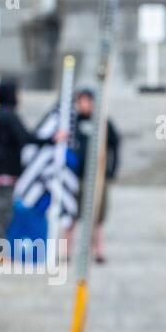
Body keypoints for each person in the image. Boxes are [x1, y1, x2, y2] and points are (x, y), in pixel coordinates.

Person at [0, 79, 65, 262]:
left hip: (0, 171)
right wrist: (51, 140)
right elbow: (25, 137)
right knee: (3, 211)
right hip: (5, 171)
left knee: (3, 210)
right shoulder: (8, 115)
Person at [66, 87, 120, 264]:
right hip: (75, 176)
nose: (86, 104)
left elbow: (115, 145)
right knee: (71, 215)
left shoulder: (103, 123)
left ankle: (97, 251)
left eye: (89, 101)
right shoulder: (71, 123)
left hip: (97, 176)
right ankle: (66, 250)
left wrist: (111, 169)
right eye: (82, 101)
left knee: (97, 217)